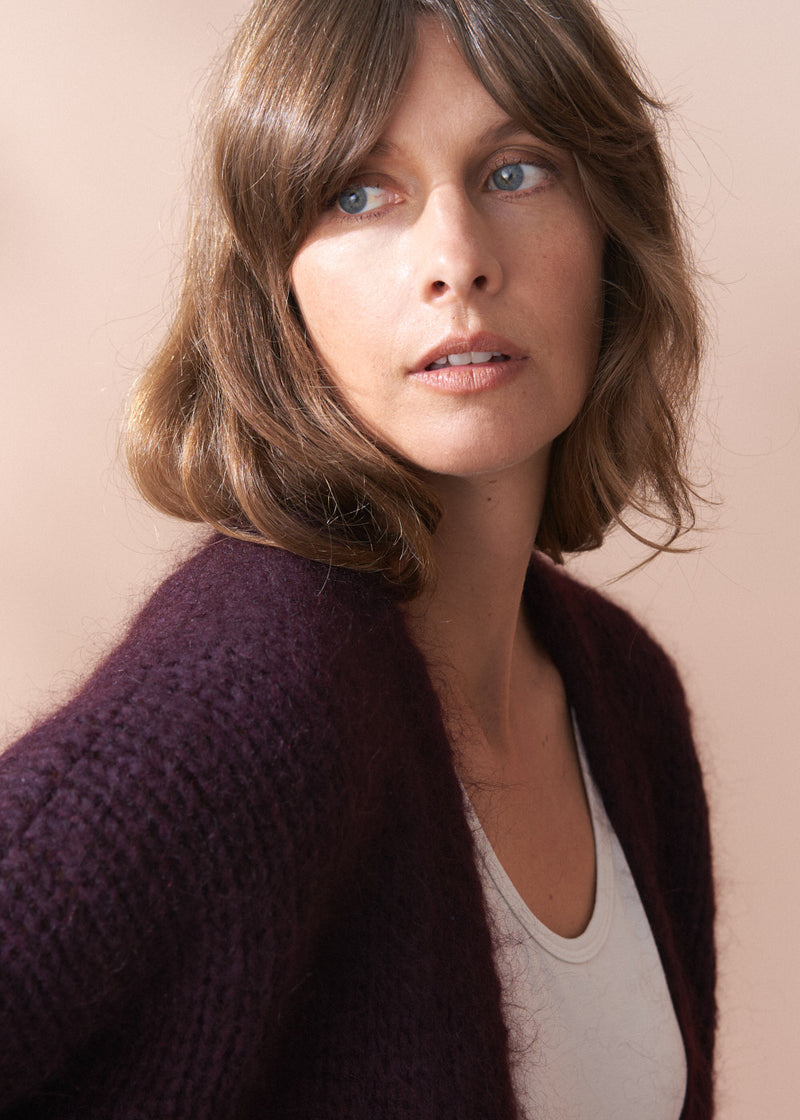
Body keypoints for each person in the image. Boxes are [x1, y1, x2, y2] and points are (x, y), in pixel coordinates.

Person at [0, 0, 715, 1117]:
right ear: (275, 287)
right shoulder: (249, 699)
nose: (457, 262)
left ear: (613, 236)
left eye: (517, 171)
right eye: (357, 193)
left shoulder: (626, 695)